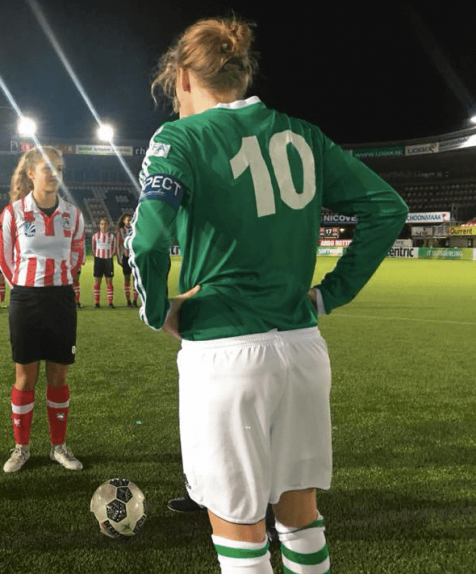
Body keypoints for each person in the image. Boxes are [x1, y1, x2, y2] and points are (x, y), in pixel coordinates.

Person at [127, 17, 408, 573]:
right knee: (300, 515)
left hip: (226, 355)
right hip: (303, 349)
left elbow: (148, 240)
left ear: (183, 78)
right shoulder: (303, 134)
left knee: (238, 526)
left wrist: (158, 312)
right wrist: (329, 296)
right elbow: (387, 208)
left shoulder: (177, 138)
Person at [0, 146, 85, 473]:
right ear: (31, 173)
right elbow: (5, 259)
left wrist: (57, 280)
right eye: (46, 168)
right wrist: (25, 283)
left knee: (59, 375)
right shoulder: (13, 213)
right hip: (26, 299)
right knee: (25, 377)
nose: (53, 173)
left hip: (61, 299)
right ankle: (21, 449)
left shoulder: (73, 215)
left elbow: (77, 256)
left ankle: (58, 447)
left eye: (58, 168)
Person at [91, 218, 117, 308]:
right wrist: (98, 256)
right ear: (99, 225)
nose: (103, 226)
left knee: (109, 281)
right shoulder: (95, 236)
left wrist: (109, 256)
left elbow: (114, 248)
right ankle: (96, 302)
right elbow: (93, 248)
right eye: (102, 224)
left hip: (108, 260)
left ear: (108, 225)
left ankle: (110, 303)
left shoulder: (112, 236)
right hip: (98, 260)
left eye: (105, 224)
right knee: (97, 281)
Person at [116, 212, 138, 307]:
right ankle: (128, 300)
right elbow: (118, 245)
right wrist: (119, 258)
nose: (129, 221)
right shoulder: (120, 231)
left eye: (130, 219)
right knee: (127, 278)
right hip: (125, 257)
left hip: (135, 257)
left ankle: (135, 301)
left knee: (135, 279)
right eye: (127, 220)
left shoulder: (136, 230)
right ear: (124, 221)